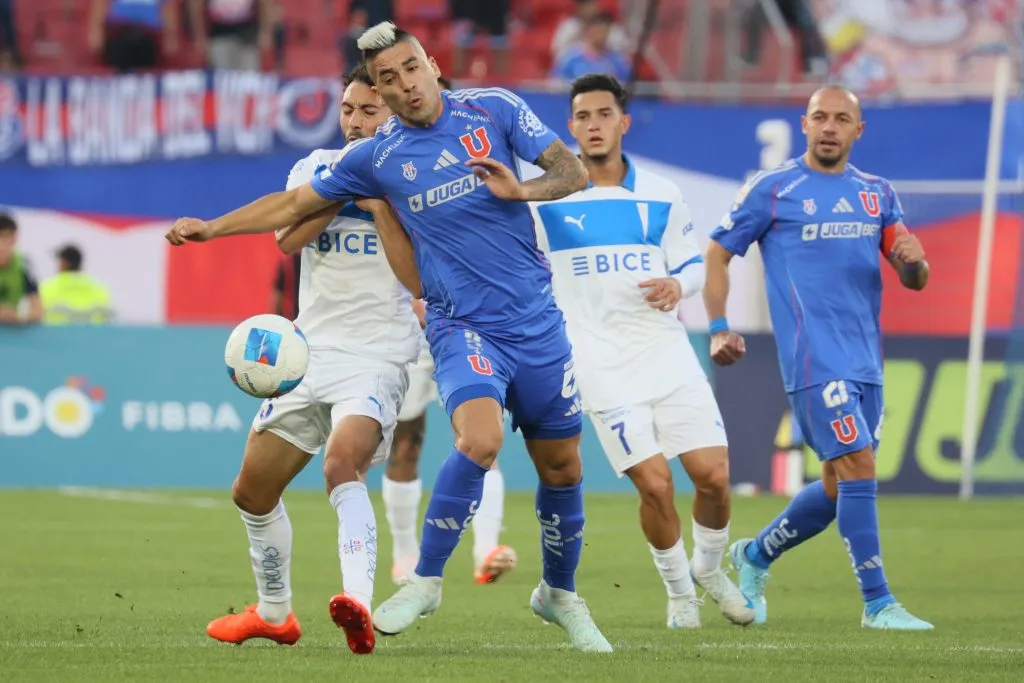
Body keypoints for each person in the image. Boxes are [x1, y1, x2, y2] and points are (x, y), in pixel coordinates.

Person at [165, 21, 612, 653]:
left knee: (563, 468)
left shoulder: (497, 108)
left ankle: (559, 595)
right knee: (477, 439)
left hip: (535, 320)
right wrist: (211, 228)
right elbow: (290, 212)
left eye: (408, 70)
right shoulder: (375, 160)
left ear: (431, 63)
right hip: (459, 325)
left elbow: (572, 172)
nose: (402, 86)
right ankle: (423, 580)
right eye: (383, 81)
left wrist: (521, 189)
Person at [172, 65, 420, 655]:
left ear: (394, 113)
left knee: (342, 466)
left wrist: (380, 203)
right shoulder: (317, 166)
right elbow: (287, 236)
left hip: (377, 356)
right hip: (308, 355)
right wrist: (212, 229)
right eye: (349, 109)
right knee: (251, 493)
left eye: (370, 111)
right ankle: (275, 612)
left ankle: (357, 600)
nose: (357, 120)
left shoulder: (416, 177)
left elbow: (417, 280)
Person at [704, 85, 934, 630]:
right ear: (804, 125)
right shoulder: (774, 189)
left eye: (841, 119)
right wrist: (718, 327)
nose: (829, 127)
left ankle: (755, 555)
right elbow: (718, 254)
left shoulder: (877, 194)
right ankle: (878, 603)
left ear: (859, 130)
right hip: (813, 359)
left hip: (865, 361)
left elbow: (913, 277)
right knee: (859, 467)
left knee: (839, 486)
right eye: (820, 117)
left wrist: (915, 261)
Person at [530, 74, 753, 629]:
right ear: (571, 127)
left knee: (715, 479)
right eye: (583, 116)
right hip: (598, 363)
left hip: (666, 352)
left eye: (604, 114)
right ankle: (679, 593)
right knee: (655, 484)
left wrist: (682, 286)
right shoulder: (547, 198)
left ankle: (708, 567)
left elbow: (690, 261)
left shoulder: (661, 192)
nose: (594, 125)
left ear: (623, 122)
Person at [385, 293, 517, 586]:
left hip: (468, 328)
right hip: (412, 331)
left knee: (481, 438)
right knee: (406, 444)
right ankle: (405, 551)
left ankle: (486, 550)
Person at [39, 245, 114, 325]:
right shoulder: (99, 288)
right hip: (90, 335)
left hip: (56, 335)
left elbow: (37, 312)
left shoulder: (46, 287)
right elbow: (105, 315)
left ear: (64, 263)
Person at [550, 13, 631, 83]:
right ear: (588, 31)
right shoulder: (569, 59)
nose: (601, 34)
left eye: (605, 30)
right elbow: (556, 85)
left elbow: (627, 85)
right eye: (598, 30)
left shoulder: (617, 61)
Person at [0, 214, 43, 326]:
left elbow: (38, 309)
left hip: (11, 331)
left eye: (5, 237)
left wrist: (22, 317)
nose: (1, 245)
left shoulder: (24, 265)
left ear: (14, 239)